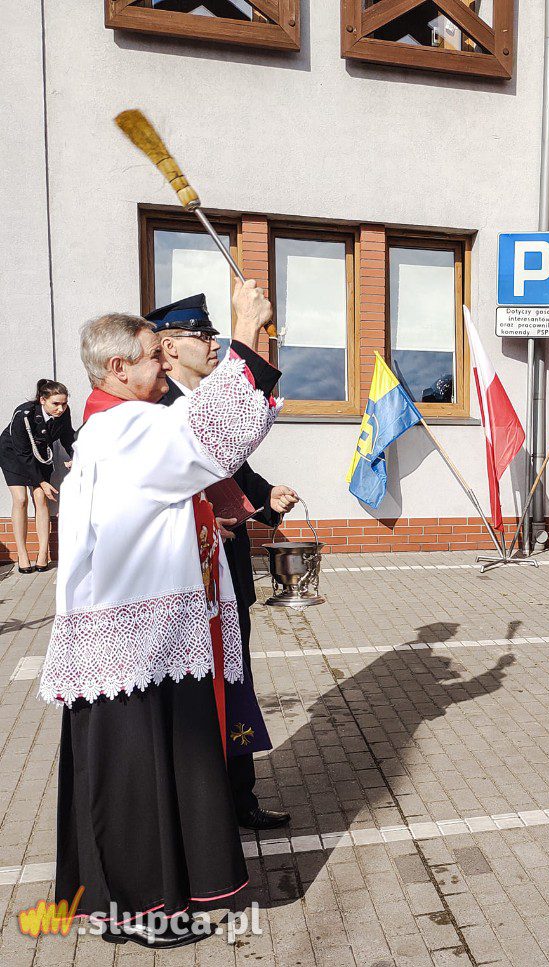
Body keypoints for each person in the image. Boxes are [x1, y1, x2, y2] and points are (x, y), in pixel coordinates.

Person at [39, 279, 279, 949]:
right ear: (118, 367)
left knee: (144, 778)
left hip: (139, 635)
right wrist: (245, 328)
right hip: (133, 639)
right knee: (134, 787)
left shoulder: (114, 424)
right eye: (154, 355)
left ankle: (142, 901)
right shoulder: (125, 428)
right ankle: (140, 910)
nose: (164, 362)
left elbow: (194, 457)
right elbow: (213, 435)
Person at [152, 293, 296, 831]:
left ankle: (239, 797)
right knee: (199, 693)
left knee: (236, 683)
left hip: (227, 571)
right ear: (169, 347)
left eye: (215, 334)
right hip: (189, 578)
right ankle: (205, 807)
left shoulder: (204, 397)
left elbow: (235, 465)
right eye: (203, 335)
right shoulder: (161, 407)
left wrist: (264, 499)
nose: (213, 344)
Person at [0, 380, 74, 572]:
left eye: (64, 403)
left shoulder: (63, 412)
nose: (60, 408)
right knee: (20, 499)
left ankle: (42, 554)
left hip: (40, 454)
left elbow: (67, 436)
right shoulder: (24, 414)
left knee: (40, 498)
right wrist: (41, 481)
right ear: (42, 400)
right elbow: (22, 452)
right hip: (14, 454)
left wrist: (75, 457)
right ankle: (22, 554)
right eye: (55, 404)